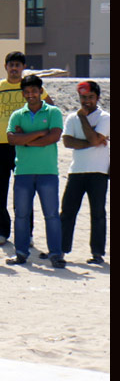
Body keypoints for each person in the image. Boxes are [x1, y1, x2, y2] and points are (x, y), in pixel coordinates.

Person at [0, 51, 53, 245]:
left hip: (25, 146)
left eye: (18, 65)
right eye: (11, 65)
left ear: (23, 67)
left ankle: (26, 233)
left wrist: (38, 133)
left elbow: (50, 108)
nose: (14, 68)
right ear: (5, 67)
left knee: (24, 191)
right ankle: (1, 231)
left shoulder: (31, 88)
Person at [5, 75, 65, 268]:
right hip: (23, 171)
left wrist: (25, 139)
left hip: (48, 171)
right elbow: (12, 139)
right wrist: (40, 133)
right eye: (27, 91)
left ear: (41, 91)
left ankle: (56, 254)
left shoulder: (53, 112)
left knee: (51, 215)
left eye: (34, 91)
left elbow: (54, 137)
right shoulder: (17, 115)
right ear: (23, 93)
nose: (31, 94)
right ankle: (21, 253)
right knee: (21, 214)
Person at [60, 81, 110, 265]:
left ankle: (97, 253)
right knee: (67, 211)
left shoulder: (105, 117)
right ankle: (61, 249)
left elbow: (93, 139)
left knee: (98, 213)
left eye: (90, 97)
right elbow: (67, 142)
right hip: (76, 170)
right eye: (83, 97)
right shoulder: (72, 117)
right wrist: (93, 141)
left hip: (99, 171)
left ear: (97, 98)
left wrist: (83, 119)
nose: (86, 101)